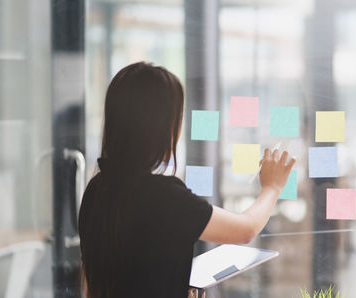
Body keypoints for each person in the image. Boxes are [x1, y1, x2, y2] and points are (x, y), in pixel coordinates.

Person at [78, 62, 295, 298]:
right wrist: (272, 187)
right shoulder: (165, 197)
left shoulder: (97, 189)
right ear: (160, 126)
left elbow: (93, 282)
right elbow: (246, 229)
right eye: (178, 117)